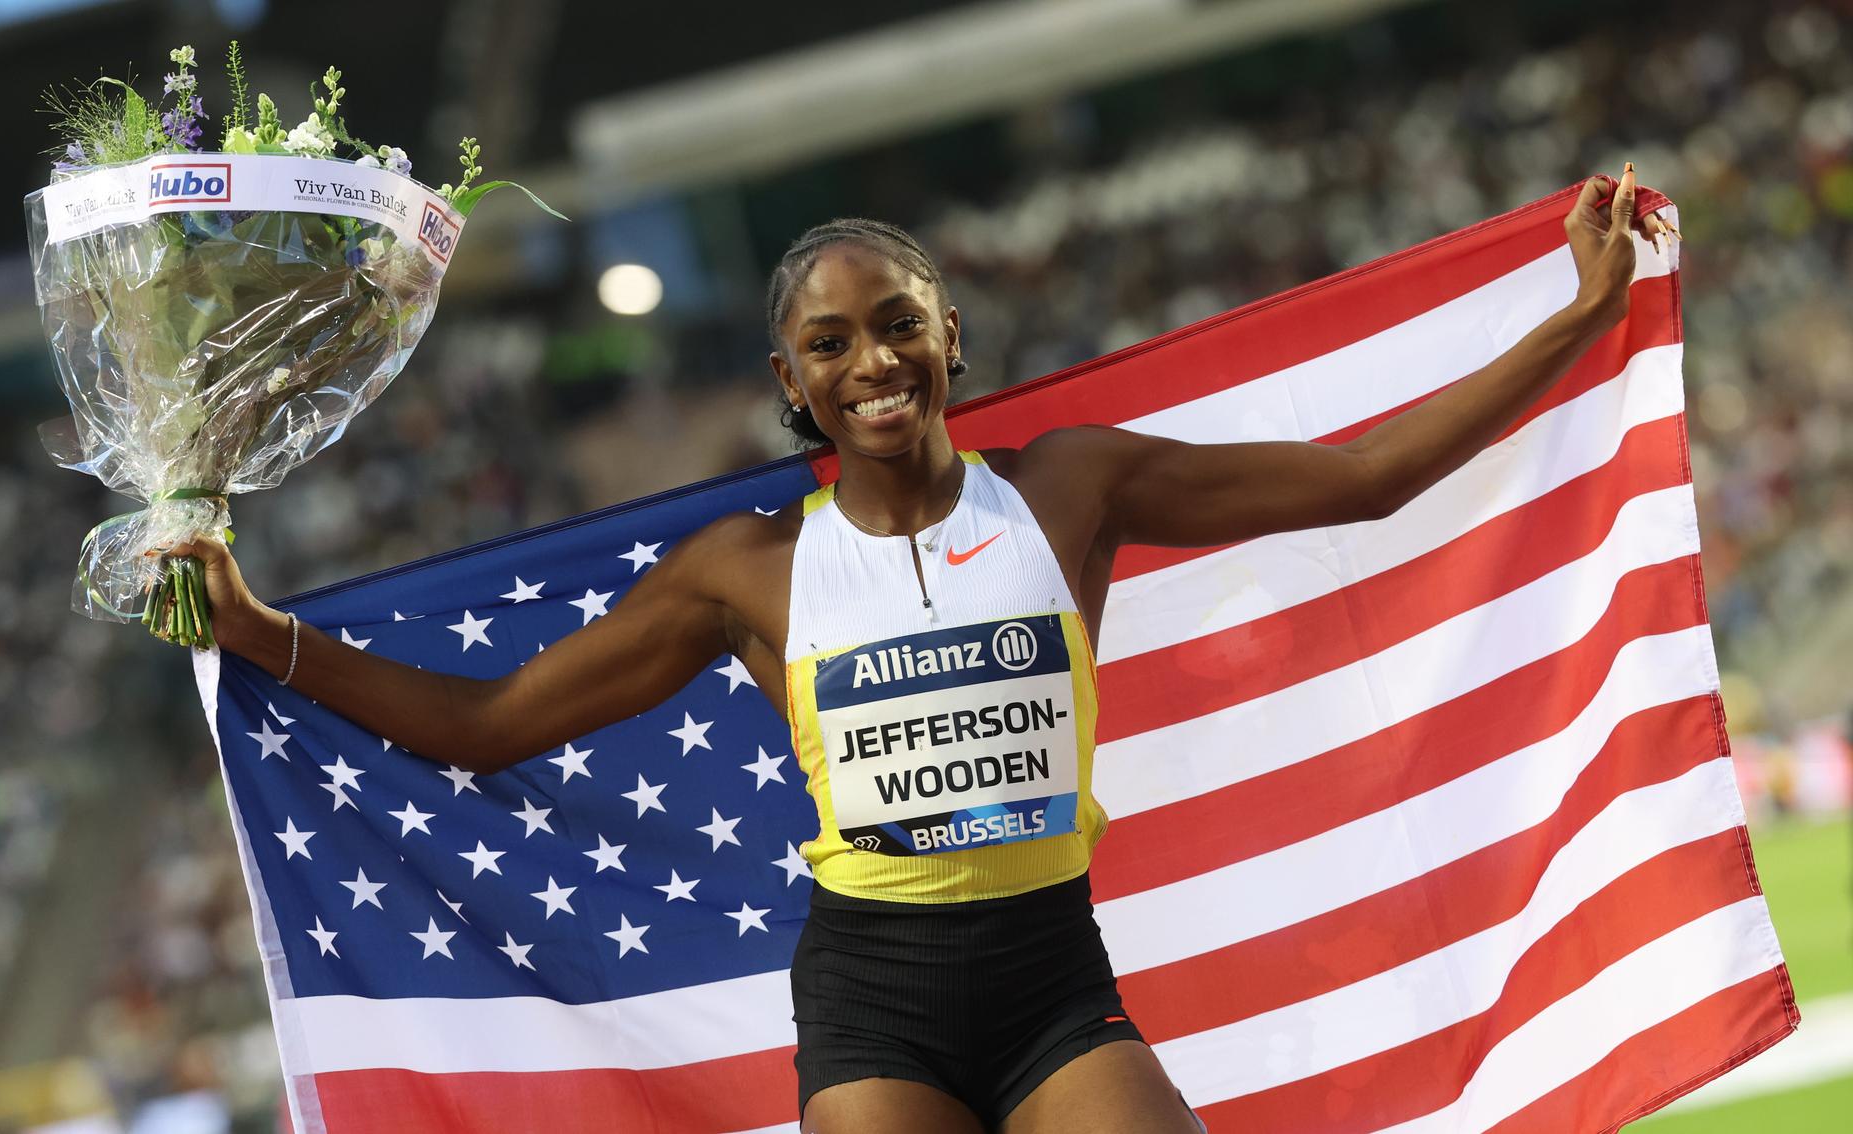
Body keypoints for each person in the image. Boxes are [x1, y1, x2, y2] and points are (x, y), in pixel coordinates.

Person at [171, 167, 1669, 1133]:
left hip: (1049, 973)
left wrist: (1578, 311)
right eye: (830, 345)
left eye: (895, 325)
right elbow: (492, 722)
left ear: (951, 332)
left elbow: (1362, 478)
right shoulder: (748, 572)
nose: (869, 360)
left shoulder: (1076, 488)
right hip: (876, 993)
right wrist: (261, 630)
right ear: (790, 384)